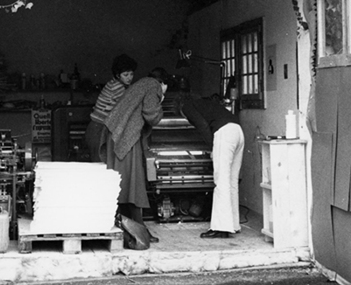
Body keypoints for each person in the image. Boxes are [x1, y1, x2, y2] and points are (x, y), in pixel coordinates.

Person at [104, 67, 170, 243]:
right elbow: (151, 115)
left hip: (117, 134)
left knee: (124, 184)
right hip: (126, 137)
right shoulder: (154, 86)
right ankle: (136, 230)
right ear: (164, 83)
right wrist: (161, 100)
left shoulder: (142, 83)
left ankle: (132, 228)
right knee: (132, 184)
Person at [179, 93, 245, 239]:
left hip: (224, 134)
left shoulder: (187, 107)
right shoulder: (206, 104)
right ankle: (233, 224)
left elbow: (202, 126)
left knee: (221, 181)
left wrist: (212, 148)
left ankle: (221, 228)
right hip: (238, 131)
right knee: (232, 181)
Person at [85, 54, 137, 162]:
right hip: (98, 130)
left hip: (98, 129)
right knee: (100, 166)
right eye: (125, 74)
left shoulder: (115, 84)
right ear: (118, 75)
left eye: (131, 74)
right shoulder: (118, 87)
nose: (129, 77)